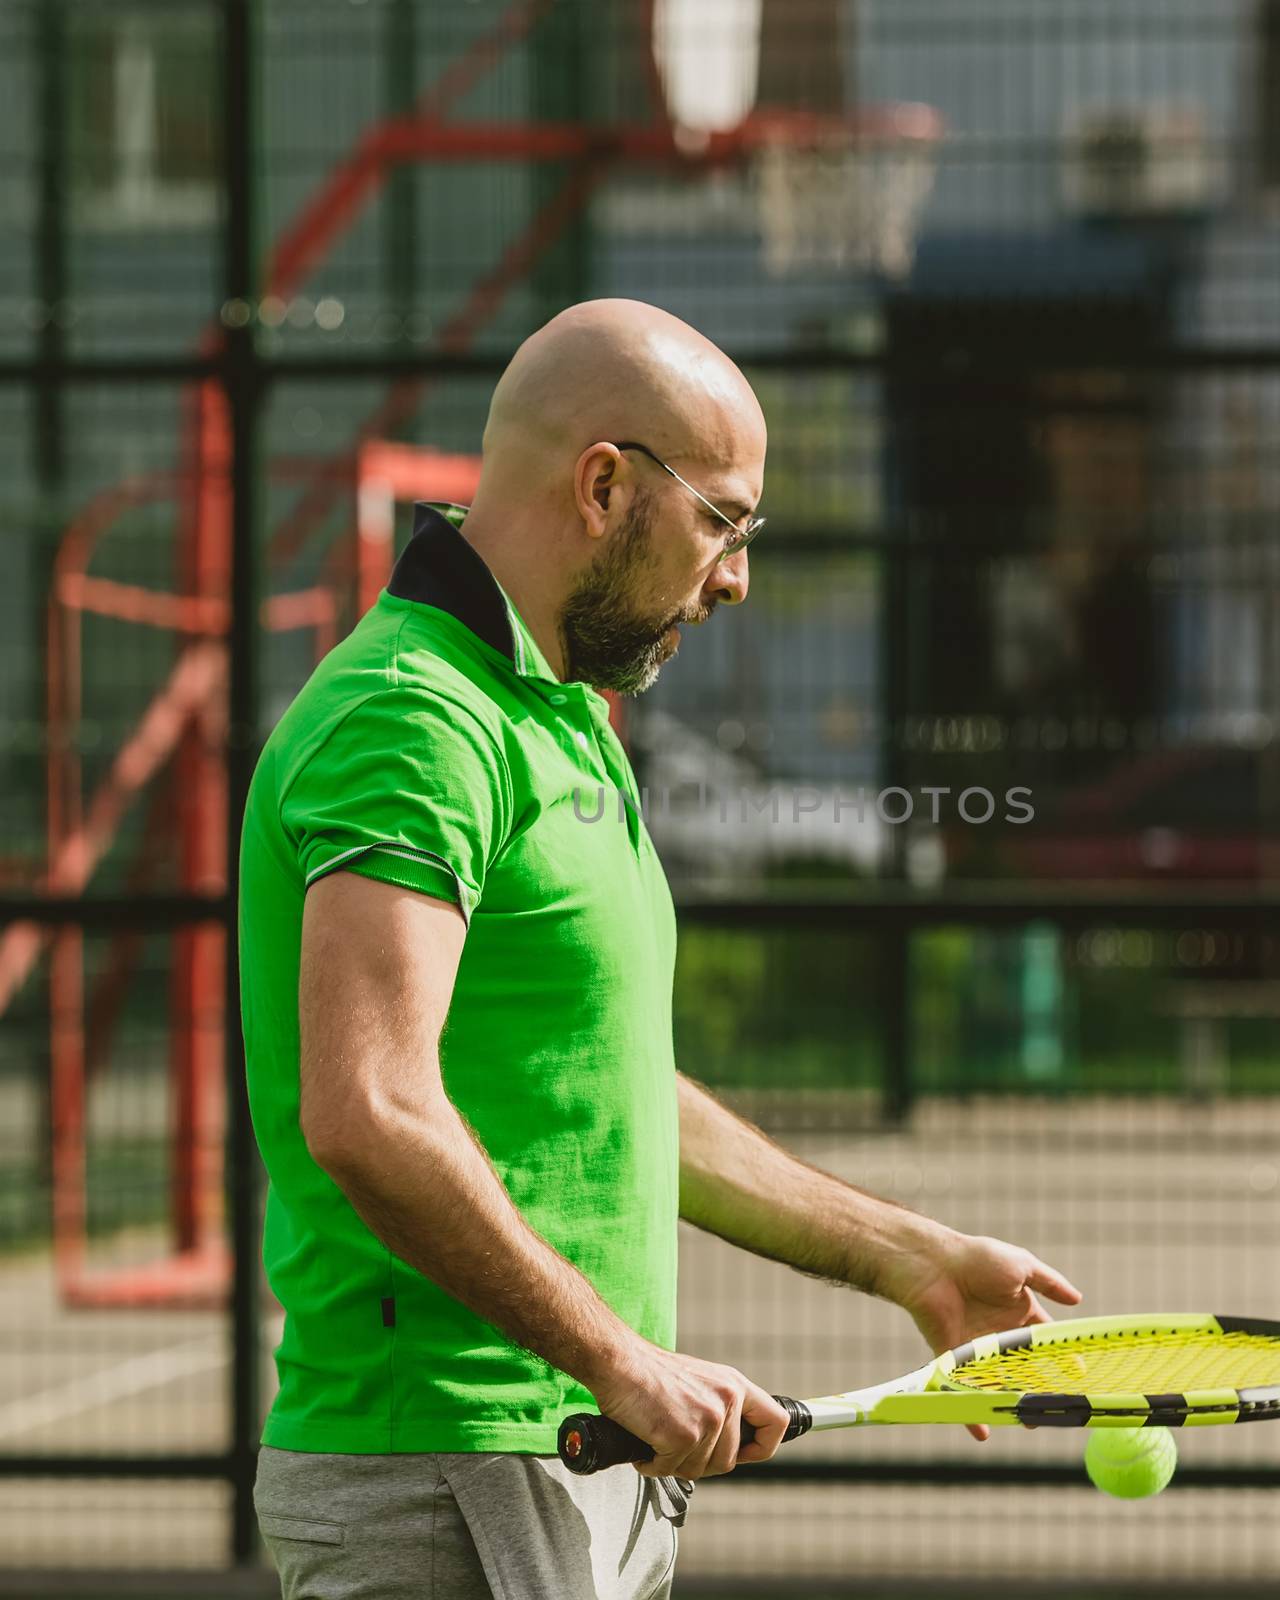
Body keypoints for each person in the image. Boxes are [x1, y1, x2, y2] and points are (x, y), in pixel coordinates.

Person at [241, 299, 1082, 1599]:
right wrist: (619, 1360)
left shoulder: (567, 714)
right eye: (725, 521)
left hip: (568, 1455)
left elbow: (621, 1097)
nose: (736, 575)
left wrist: (905, 1254)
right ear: (604, 485)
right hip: (450, 1472)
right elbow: (371, 1110)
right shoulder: (413, 724)